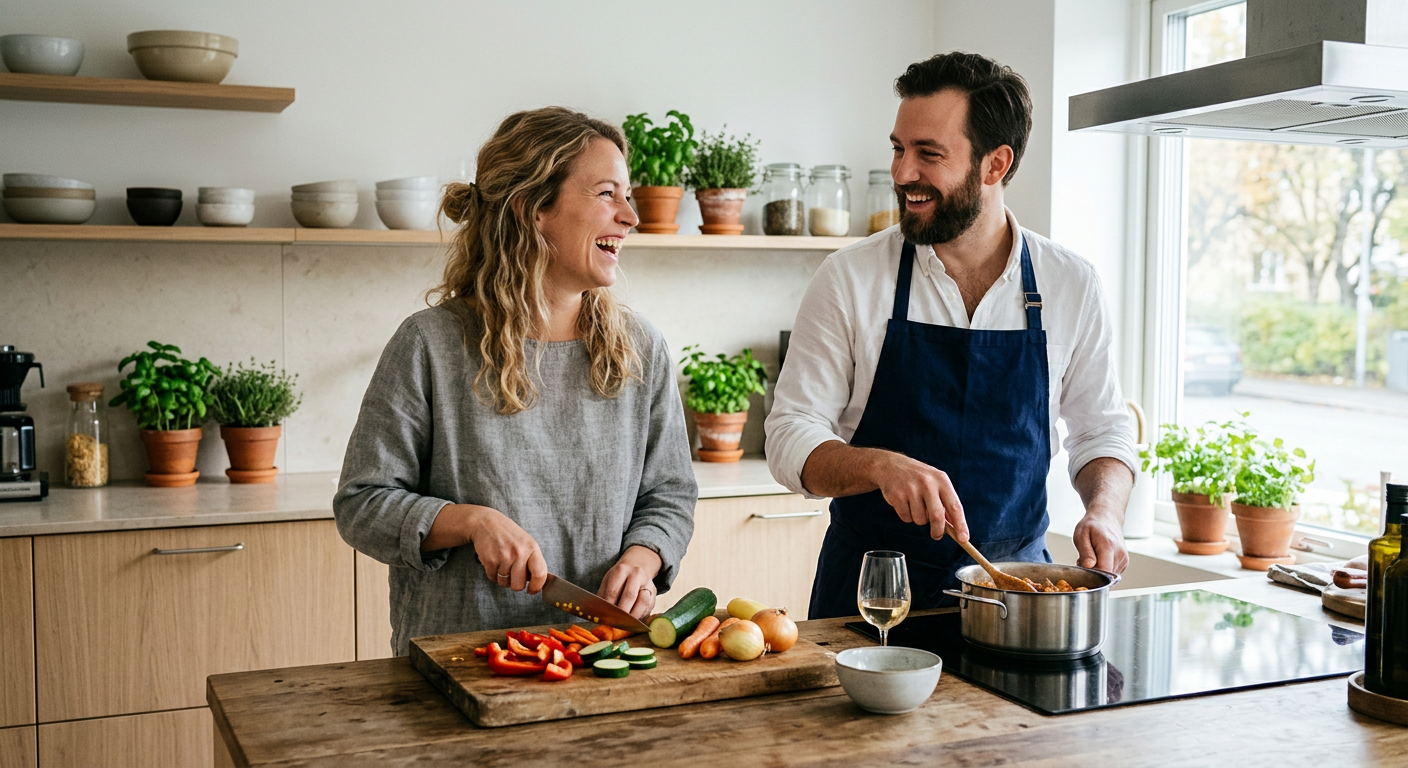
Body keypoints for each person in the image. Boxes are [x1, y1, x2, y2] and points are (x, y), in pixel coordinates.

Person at [765, 52, 1136, 620]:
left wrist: (1105, 511)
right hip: (870, 600)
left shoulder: (1070, 284)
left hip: (1015, 596)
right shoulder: (851, 277)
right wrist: (877, 466)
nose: (901, 173)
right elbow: (790, 435)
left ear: (995, 165)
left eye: (928, 154)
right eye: (898, 148)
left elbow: (1101, 430)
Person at [335, 107, 698, 655]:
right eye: (607, 194)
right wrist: (467, 521)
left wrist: (643, 557)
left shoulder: (642, 348)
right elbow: (362, 505)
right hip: (458, 665)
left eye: (628, 196)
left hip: (595, 656)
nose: (631, 216)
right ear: (533, 210)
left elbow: (670, 493)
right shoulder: (430, 345)